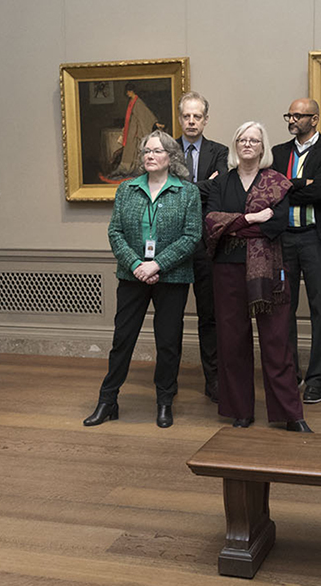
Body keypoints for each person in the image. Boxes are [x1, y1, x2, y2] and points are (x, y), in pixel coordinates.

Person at [83, 131, 201, 429]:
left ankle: (164, 401)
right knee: (122, 340)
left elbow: (192, 236)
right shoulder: (126, 190)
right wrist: (137, 264)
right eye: (146, 151)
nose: (149, 155)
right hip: (132, 275)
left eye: (157, 151)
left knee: (168, 343)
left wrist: (158, 264)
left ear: (171, 158)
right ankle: (107, 401)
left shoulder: (188, 193)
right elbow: (115, 232)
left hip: (172, 277)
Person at [206, 121, 311, 432]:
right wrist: (250, 218)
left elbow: (276, 225)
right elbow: (211, 222)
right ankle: (240, 411)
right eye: (242, 139)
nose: (248, 144)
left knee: (277, 342)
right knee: (232, 342)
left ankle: (291, 414)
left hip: (269, 271)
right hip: (227, 269)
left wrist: (233, 225)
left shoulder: (277, 183)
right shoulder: (221, 183)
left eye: (254, 140)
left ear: (263, 147)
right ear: (235, 145)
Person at [271, 98, 321, 404]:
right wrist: (300, 184)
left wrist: (289, 187)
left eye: (298, 115)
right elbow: (272, 193)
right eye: (290, 114)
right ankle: (290, 373)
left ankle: (316, 379)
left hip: (316, 239)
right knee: (283, 309)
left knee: (319, 310)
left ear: (314, 119)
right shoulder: (278, 152)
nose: (292, 119)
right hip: (284, 239)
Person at [174, 91, 229, 401]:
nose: (192, 121)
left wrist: (183, 187)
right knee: (173, 316)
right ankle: (169, 381)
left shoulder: (220, 151)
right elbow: (166, 189)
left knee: (210, 316)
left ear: (206, 120)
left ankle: (214, 382)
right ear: (180, 118)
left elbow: (218, 187)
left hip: (207, 246)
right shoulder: (166, 151)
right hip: (174, 246)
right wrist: (202, 185)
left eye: (197, 116)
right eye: (186, 116)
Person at [110, 83, 160, 177]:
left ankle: (136, 169)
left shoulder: (138, 102)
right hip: (131, 130)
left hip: (136, 131)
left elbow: (145, 114)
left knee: (136, 150)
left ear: (131, 91)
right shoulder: (132, 101)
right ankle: (127, 168)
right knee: (129, 150)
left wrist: (154, 123)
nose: (127, 94)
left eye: (128, 92)